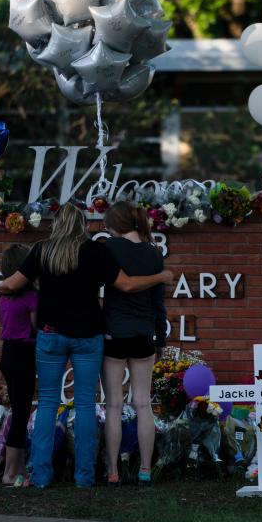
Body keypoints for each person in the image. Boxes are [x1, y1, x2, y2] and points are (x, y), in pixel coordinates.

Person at [0, 203, 172, 489]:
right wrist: (161, 277)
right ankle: (84, 477)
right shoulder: (95, 251)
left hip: (50, 335)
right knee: (87, 404)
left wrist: (20, 289)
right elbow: (127, 285)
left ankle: (40, 477)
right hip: (88, 336)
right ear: (81, 224)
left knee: (49, 403)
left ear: (56, 224)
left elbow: (10, 285)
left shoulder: (42, 250)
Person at [100, 201, 167, 485]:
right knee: (143, 404)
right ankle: (145, 469)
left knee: (113, 404)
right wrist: (160, 338)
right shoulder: (154, 254)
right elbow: (158, 303)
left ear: (115, 224)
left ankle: (113, 470)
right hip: (144, 334)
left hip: (114, 333)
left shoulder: (109, 248)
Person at [0, 244, 38, 487]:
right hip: (24, 354)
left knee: (18, 411)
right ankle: (10, 473)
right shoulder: (31, 297)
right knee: (22, 414)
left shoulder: (4, 296)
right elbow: (36, 327)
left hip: (8, 353)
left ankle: (19, 470)